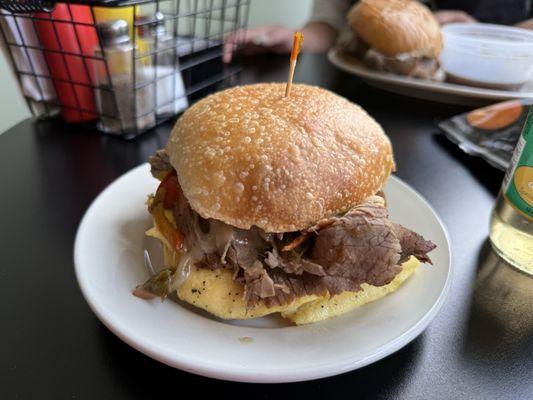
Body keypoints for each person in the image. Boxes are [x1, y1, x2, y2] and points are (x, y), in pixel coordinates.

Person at [223, 0, 533, 63]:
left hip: (489, 106)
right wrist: (294, 39)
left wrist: (482, 36)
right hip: (370, 98)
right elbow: (328, 24)